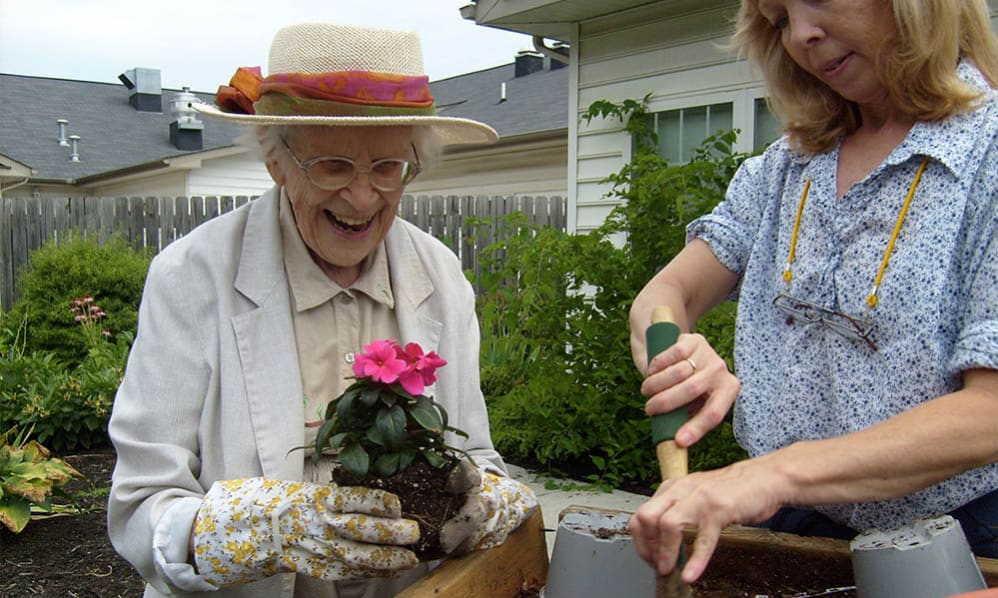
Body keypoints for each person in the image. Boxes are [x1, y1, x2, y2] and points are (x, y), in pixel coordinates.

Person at [107, 22, 537, 598]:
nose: (362, 198)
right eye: (332, 165)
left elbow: (474, 457)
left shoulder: (438, 276)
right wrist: (270, 529)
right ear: (276, 162)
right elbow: (140, 512)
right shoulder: (192, 277)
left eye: (388, 167)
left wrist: (483, 498)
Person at [627, 0, 998, 585]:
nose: (801, 35)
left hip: (959, 543)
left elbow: (989, 412)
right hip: (793, 523)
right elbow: (668, 292)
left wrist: (771, 475)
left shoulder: (988, 155)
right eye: (778, 19)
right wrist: (671, 344)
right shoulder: (786, 165)